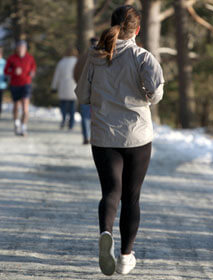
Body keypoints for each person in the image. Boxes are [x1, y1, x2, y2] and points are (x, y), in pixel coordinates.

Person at [75, 5, 164, 276]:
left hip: (104, 137)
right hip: (137, 136)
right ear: (137, 30)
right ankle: (126, 257)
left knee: (110, 192)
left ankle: (105, 233)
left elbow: (81, 95)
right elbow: (156, 94)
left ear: (112, 24)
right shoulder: (143, 58)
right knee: (131, 197)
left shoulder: (95, 57)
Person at [4, 40, 36, 136]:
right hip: (15, 84)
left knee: (25, 106)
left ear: (25, 48)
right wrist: (13, 71)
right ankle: (16, 123)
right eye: (19, 47)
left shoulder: (30, 58)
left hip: (26, 84)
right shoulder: (11, 58)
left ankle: (23, 127)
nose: (21, 49)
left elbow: (33, 68)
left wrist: (32, 73)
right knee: (16, 106)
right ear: (17, 48)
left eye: (23, 47)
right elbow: (6, 71)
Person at [74, 37, 98, 144]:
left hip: (85, 89)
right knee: (95, 115)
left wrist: (80, 83)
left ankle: (86, 136)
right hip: (97, 91)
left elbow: (75, 73)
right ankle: (93, 136)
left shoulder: (83, 57)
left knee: (85, 115)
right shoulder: (103, 56)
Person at [51, 47, 78, 130]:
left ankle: (63, 119)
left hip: (63, 86)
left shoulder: (61, 62)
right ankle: (71, 123)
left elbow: (57, 76)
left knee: (63, 105)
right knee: (72, 106)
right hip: (73, 86)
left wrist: (54, 86)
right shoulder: (76, 62)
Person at [0, 47, 7, 117]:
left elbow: (7, 71)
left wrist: (6, 78)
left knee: (0, 99)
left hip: (1, 84)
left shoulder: (4, 62)